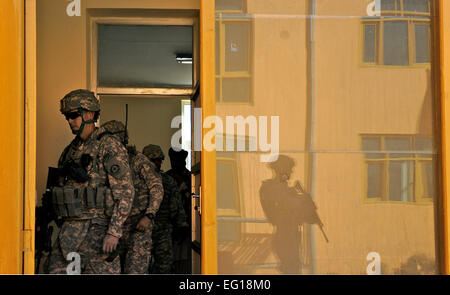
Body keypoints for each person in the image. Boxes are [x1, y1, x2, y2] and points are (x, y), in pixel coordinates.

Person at [46, 89, 135, 274]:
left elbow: (126, 192)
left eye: (73, 116)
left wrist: (114, 232)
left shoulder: (108, 145)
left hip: (97, 235)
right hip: (69, 235)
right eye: (67, 117)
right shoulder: (70, 151)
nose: (69, 121)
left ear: (89, 114)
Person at [101, 120, 164, 274]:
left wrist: (149, 215)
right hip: (115, 224)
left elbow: (156, 188)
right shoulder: (106, 161)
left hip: (138, 224)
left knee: (135, 269)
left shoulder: (138, 161)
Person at [142, 144, 188, 274]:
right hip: (142, 231)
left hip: (163, 231)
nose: (157, 164)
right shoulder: (136, 181)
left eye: (159, 160)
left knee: (165, 267)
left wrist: (181, 225)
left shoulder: (168, 181)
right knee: (140, 268)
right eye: (153, 160)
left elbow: (177, 207)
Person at [166, 148, 192, 273]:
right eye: (172, 159)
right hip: (168, 224)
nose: (174, 162)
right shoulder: (166, 177)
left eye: (177, 159)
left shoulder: (190, 178)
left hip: (186, 222)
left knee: (184, 258)